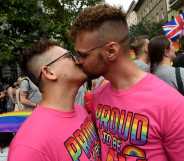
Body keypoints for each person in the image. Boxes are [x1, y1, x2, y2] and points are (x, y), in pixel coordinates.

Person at [70, 4, 184, 161]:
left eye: (83, 55)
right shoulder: (98, 96)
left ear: (111, 51)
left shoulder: (172, 104)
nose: (78, 62)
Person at [8, 39, 101, 161]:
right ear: (49, 72)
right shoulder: (28, 147)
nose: (79, 60)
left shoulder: (80, 111)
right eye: (69, 56)